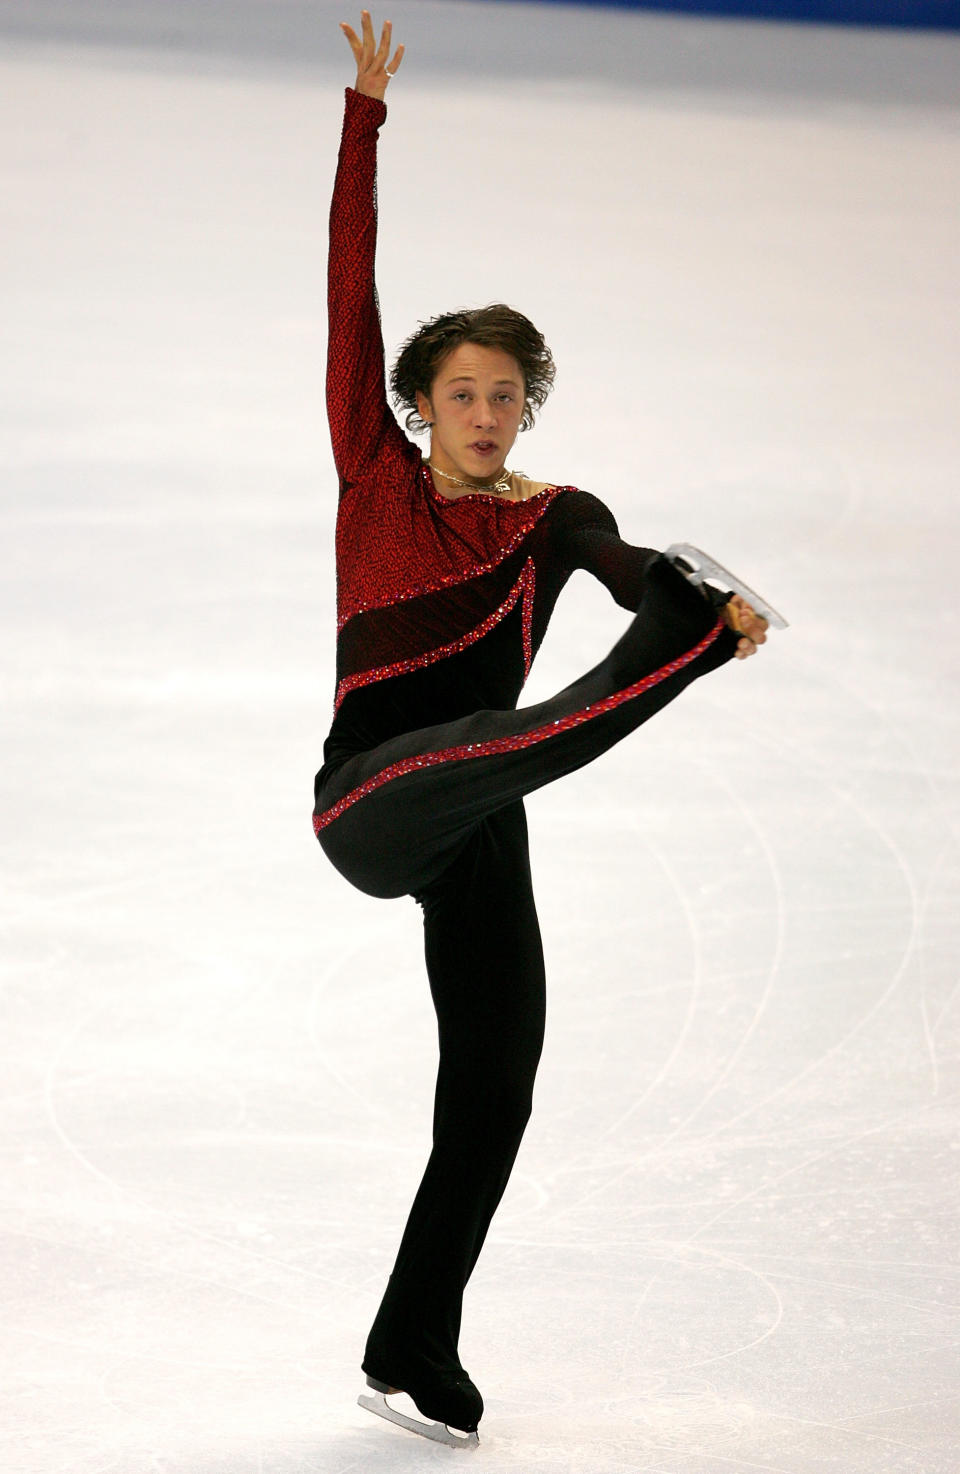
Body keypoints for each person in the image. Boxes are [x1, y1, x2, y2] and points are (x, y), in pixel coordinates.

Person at [315, 10, 773, 1448]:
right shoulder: (378, 479)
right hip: (372, 799)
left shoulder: (557, 518)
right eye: (462, 393)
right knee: (505, 738)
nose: (486, 412)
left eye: (506, 395)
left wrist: (674, 595)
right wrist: (363, 122)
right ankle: (690, 656)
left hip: (476, 815)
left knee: (501, 1071)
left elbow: (634, 570)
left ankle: (413, 1340)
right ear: (421, 404)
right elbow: (349, 296)